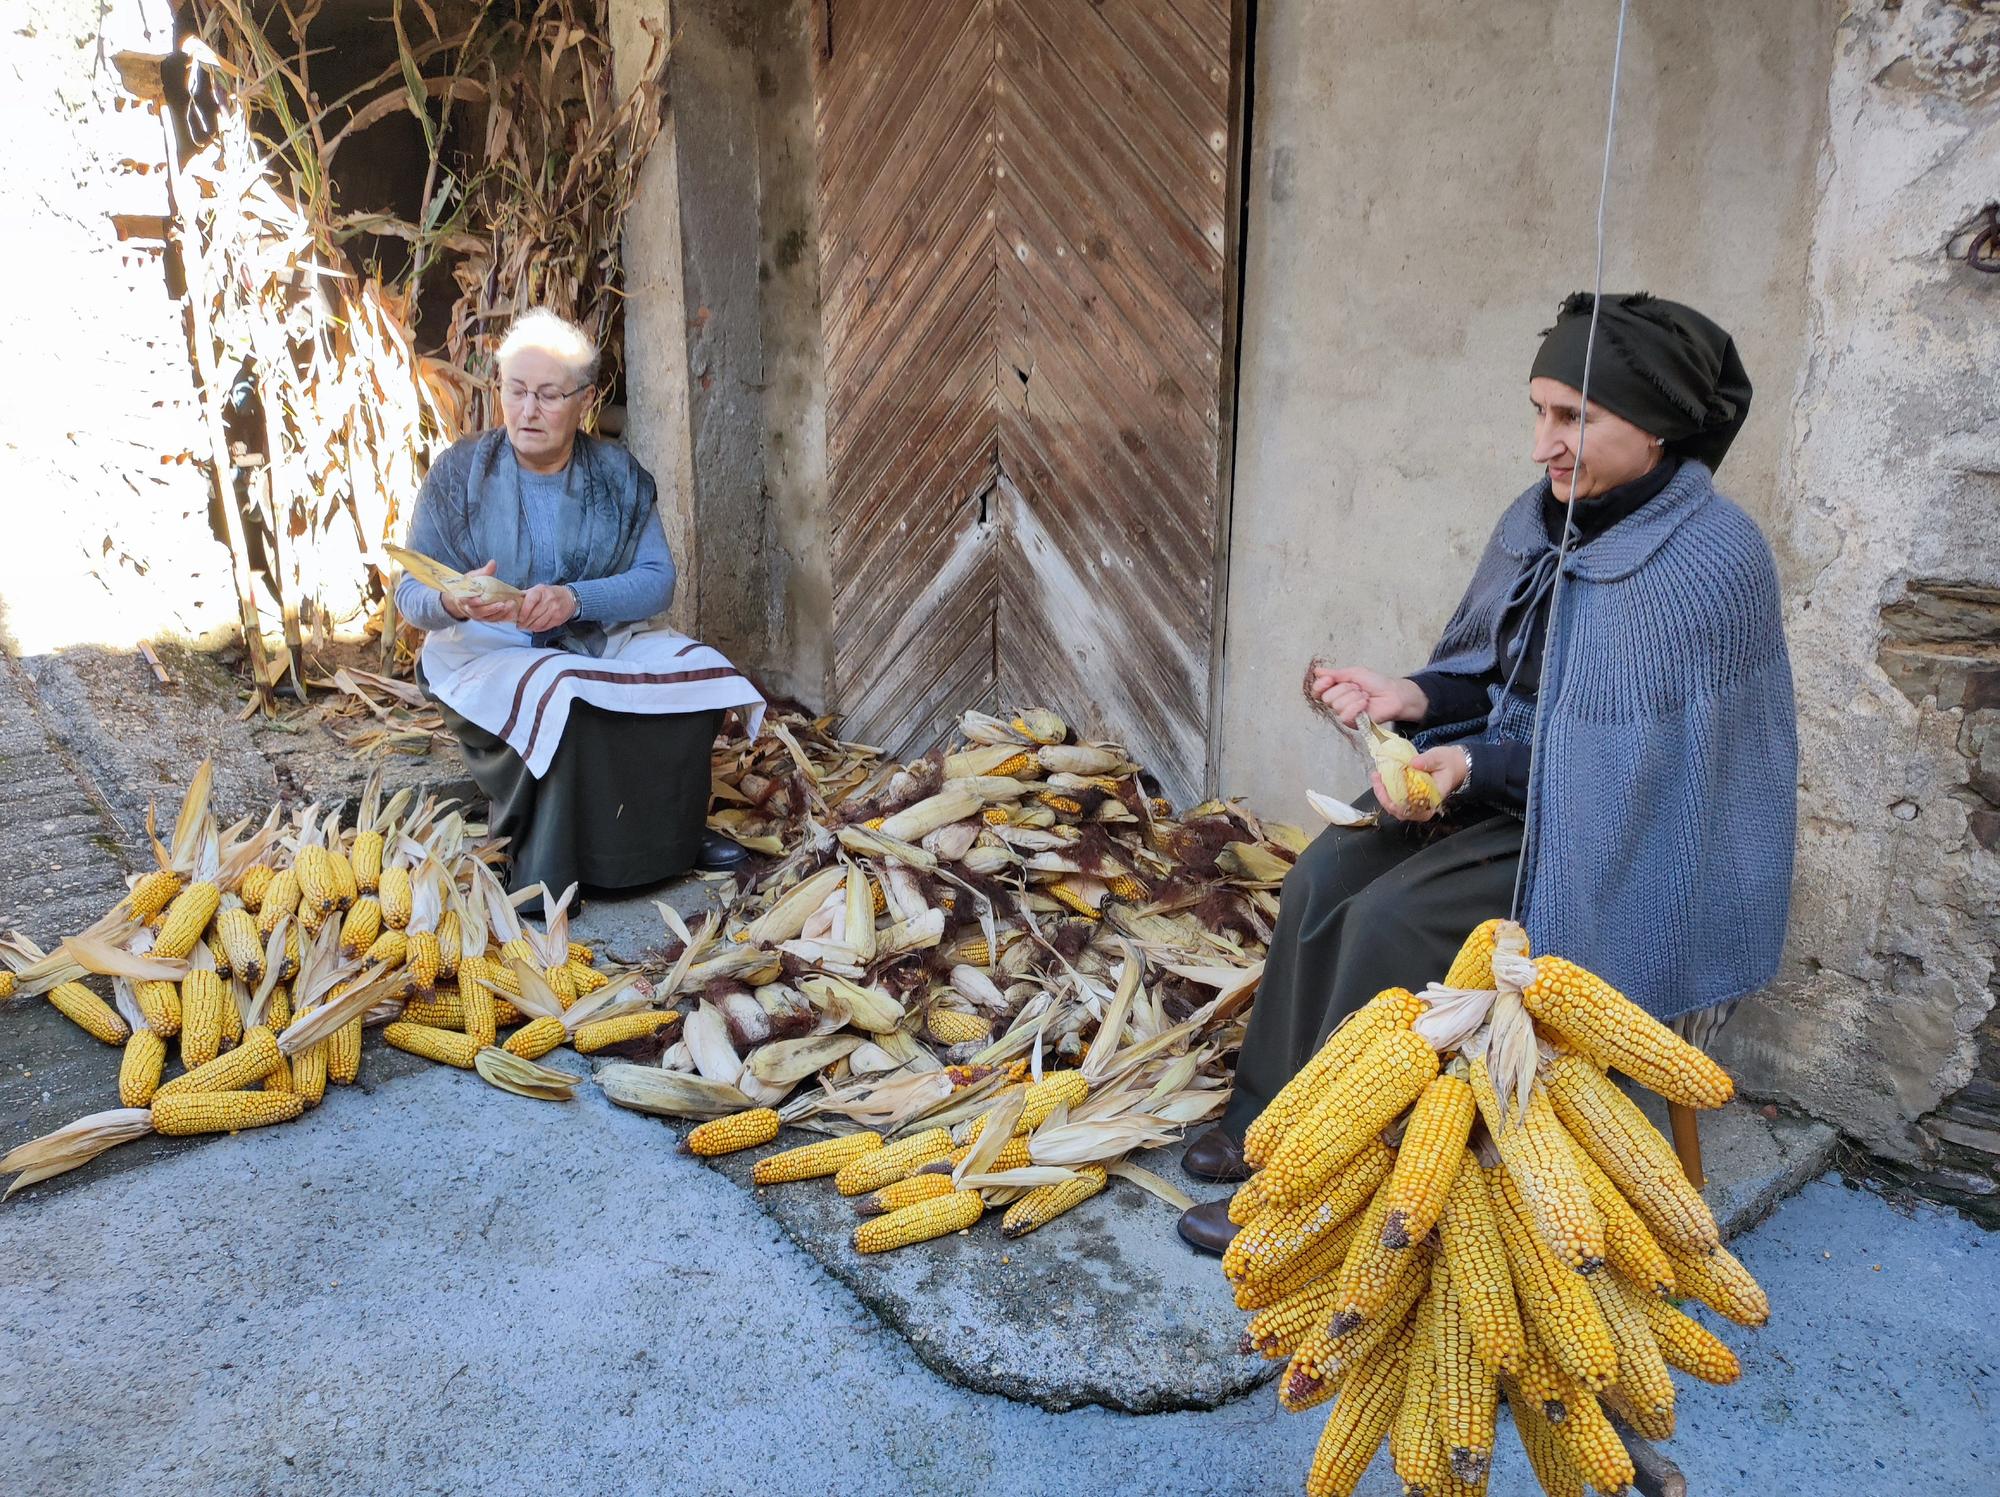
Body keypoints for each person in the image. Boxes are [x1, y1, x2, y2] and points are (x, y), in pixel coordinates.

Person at [1176, 293, 1796, 1255]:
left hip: (1617, 840)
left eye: (1573, 418)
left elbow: (1639, 765)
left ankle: (1332, 1184)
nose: (1543, 444)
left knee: (1394, 918)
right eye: (1539, 410)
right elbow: (1494, 677)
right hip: (1509, 794)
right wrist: (1409, 700)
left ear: (1660, 426)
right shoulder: (1542, 516)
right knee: (1321, 877)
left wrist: (1472, 765)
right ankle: (1274, 1119)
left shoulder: (1711, 559)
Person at [396, 308, 766, 905]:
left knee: (700, 671)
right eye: (515, 391)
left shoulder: (618, 476)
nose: (527, 410)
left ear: (585, 400)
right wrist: (454, 601)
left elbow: (657, 582)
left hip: (598, 635)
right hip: (484, 650)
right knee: (563, 687)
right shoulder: (458, 475)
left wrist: (575, 599)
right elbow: (410, 594)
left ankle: (674, 834)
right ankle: (551, 859)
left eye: (547, 395)